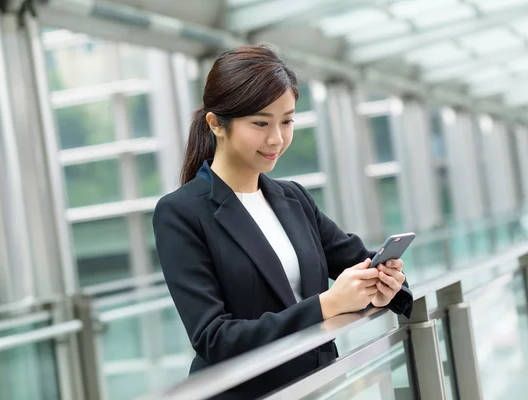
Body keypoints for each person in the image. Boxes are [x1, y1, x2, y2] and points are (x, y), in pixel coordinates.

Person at [152, 44, 413, 400]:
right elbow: (214, 338)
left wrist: (387, 282)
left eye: (287, 121)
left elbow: (360, 260)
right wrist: (326, 305)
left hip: (320, 387)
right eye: (260, 123)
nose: (277, 138)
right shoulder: (181, 213)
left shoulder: (293, 199)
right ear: (216, 124)